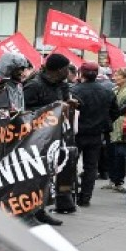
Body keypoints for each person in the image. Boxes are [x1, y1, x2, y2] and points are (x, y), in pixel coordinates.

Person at [22, 53, 79, 226]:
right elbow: (25, 111)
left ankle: (41, 210)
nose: (68, 72)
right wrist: (53, 108)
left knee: (47, 176)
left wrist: (70, 103)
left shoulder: (61, 85)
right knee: (33, 177)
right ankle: (29, 212)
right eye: (66, 68)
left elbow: (63, 101)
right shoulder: (34, 85)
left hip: (54, 137)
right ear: (59, 70)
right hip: (34, 138)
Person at [71, 62, 119, 207]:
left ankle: (72, 194)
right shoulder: (107, 91)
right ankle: (85, 197)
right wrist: (104, 122)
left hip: (77, 133)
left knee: (71, 164)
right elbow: (115, 112)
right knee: (91, 167)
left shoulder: (75, 91)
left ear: (81, 73)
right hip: (96, 134)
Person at [102, 68, 126, 193]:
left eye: (118, 75)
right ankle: (112, 179)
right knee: (111, 153)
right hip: (112, 124)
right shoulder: (114, 89)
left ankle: (119, 181)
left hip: (123, 123)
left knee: (121, 153)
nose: (115, 77)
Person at [0, 52, 29, 120]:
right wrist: (15, 114)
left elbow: (20, 106)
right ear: (8, 68)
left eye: (23, 68)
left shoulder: (19, 86)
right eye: (18, 69)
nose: (21, 72)